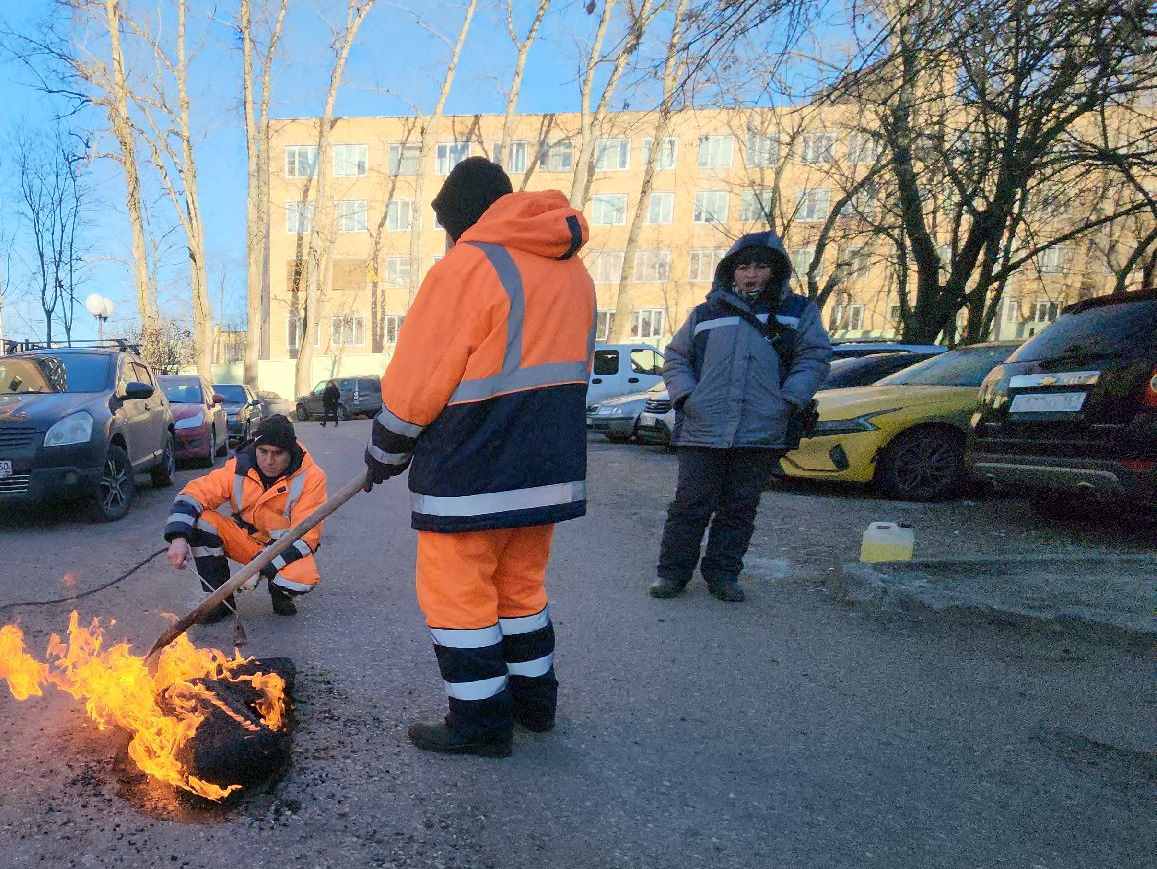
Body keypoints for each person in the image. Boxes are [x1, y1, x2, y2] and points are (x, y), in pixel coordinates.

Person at [362, 157, 596, 758]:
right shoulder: (573, 273)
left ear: (461, 218)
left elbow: (420, 378)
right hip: (545, 470)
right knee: (521, 593)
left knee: (459, 598)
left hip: (473, 469)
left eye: (447, 224)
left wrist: (385, 449)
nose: (448, 237)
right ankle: (534, 707)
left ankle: (481, 723)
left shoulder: (466, 268)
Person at [650, 232, 833, 602]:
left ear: (775, 271)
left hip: (761, 428)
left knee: (739, 508)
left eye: (760, 266)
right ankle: (672, 574)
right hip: (704, 425)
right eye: (743, 266)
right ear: (730, 272)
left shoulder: (799, 312)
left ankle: (723, 575)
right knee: (689, 506)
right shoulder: (705, 313)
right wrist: (687, 396)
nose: (751, 274)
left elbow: (813, 358)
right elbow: (676, 356)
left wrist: (789, 399)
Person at [165, 415, 327, 621]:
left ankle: (280, 593)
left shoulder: (312, 477)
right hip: (245, 539)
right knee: (201, 521)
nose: (269, 461)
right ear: (256, 447)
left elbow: (306, 538)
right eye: (263, 451)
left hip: (285, 547)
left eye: (278, 453)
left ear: (291, 452)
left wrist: (260, 569)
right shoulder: (238, 468)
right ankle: (220, 601)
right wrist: (178, 537)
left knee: (300, 579)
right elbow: (193, 494)